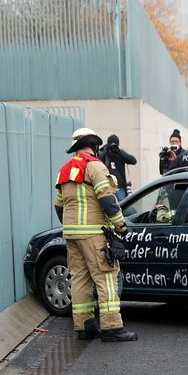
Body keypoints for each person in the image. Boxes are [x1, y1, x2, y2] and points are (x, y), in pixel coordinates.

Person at [54, 127, 137, 342]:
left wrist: (71, 226)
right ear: (93, 145)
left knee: (80, 279)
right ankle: (112, 328)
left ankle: (85, 326)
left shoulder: (64, 170)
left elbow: (59, 206)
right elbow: (108, 201)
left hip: (71, 234)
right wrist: (121, 227)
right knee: (106, 276)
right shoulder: (95, 167)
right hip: (93, 233)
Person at [98, 134, 137, 201]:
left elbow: (133, 161)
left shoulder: (120, 153)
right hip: (107, 187)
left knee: (123, 205)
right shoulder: (104, 153)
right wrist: (107, 150)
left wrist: (119, 151)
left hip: (120, 187)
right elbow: (97, 161)